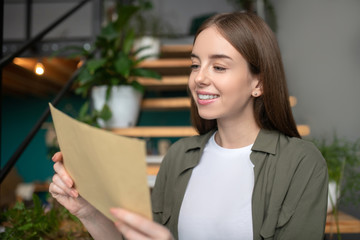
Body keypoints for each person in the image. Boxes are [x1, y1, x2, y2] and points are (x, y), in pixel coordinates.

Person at [49, 12, 328, 240]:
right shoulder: (178, 156)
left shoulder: (300, 163)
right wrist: (87, 212)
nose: (199, 79)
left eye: (218, 67)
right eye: (195, 65)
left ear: (259, 83)